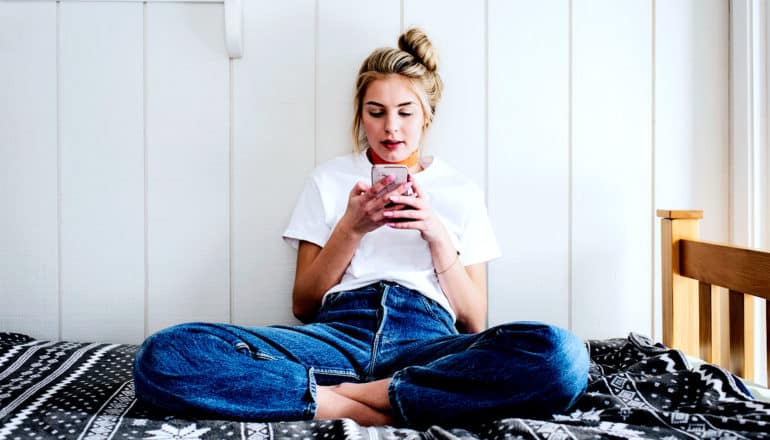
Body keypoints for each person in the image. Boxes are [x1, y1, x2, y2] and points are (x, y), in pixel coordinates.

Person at [133, 27, 589, 429]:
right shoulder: (328, 180)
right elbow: (304, 304)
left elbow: (473, 320)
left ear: (427, 114)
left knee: (561, 357)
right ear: (360, 114)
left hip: (426, 342)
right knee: (165, 355)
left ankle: (351, 396)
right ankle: (373, 403)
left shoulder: (461, 190)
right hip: (336, 337)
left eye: (406, 112)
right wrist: (351, 229)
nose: (391, 128)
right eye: (376, 112)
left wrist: (435, 234)